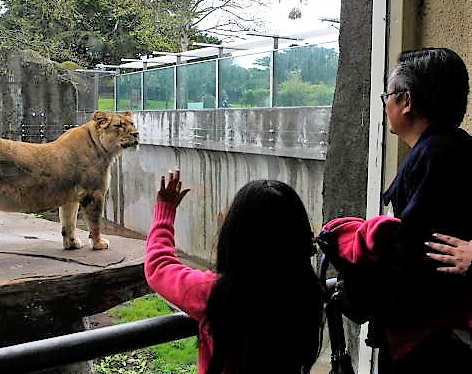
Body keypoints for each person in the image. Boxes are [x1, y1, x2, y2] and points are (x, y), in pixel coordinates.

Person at [319, 47, 472, 374]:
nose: (385, 105)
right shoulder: (456, 148)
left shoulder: (435, 158)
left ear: (407, 101)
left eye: (388, 95)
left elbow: (412, 253)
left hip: (428, 342)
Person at [144, 169, 325, 374]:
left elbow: (158, 266)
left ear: (234, 236)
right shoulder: (308, 292)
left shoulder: (215, 293)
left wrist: (165, 212)